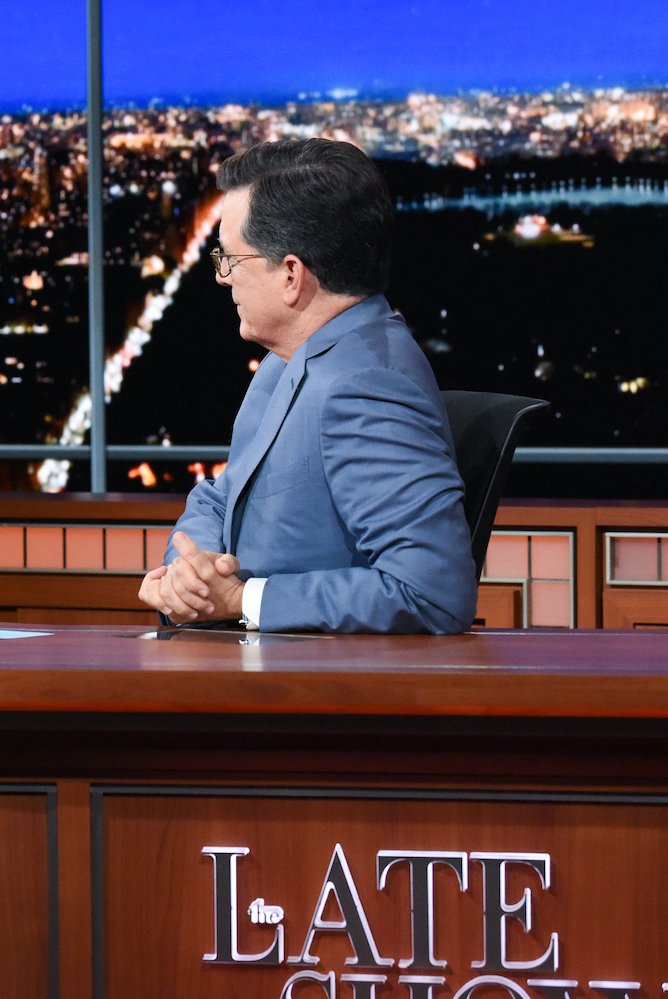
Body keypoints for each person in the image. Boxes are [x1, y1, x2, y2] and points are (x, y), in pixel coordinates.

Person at [138, 138, 477, 634]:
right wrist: (187, 578)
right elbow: (218, 498)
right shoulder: (289, 359)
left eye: (230, 260)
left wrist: (240, 599)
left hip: (321, 692)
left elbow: (432, 592)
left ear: (291, 275)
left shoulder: (367, 383)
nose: (222, 278)